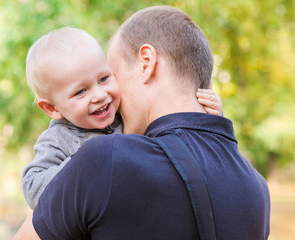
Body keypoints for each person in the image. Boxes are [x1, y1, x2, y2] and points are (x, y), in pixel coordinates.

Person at [14, 6, 270, 240]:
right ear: (52, 108)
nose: (105, 96)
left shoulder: (106, 159)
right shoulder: (257, 188)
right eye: (80, 92)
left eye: (108, 77)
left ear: (146, 63)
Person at [21, 27, 222, 209]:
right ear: (51, 108)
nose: (100, 95)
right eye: (81, 91)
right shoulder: (58, 139)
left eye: (104, 79)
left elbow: (177, 136)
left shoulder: (124, 115)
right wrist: (88, 162)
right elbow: (33, 188)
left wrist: (209, 116)